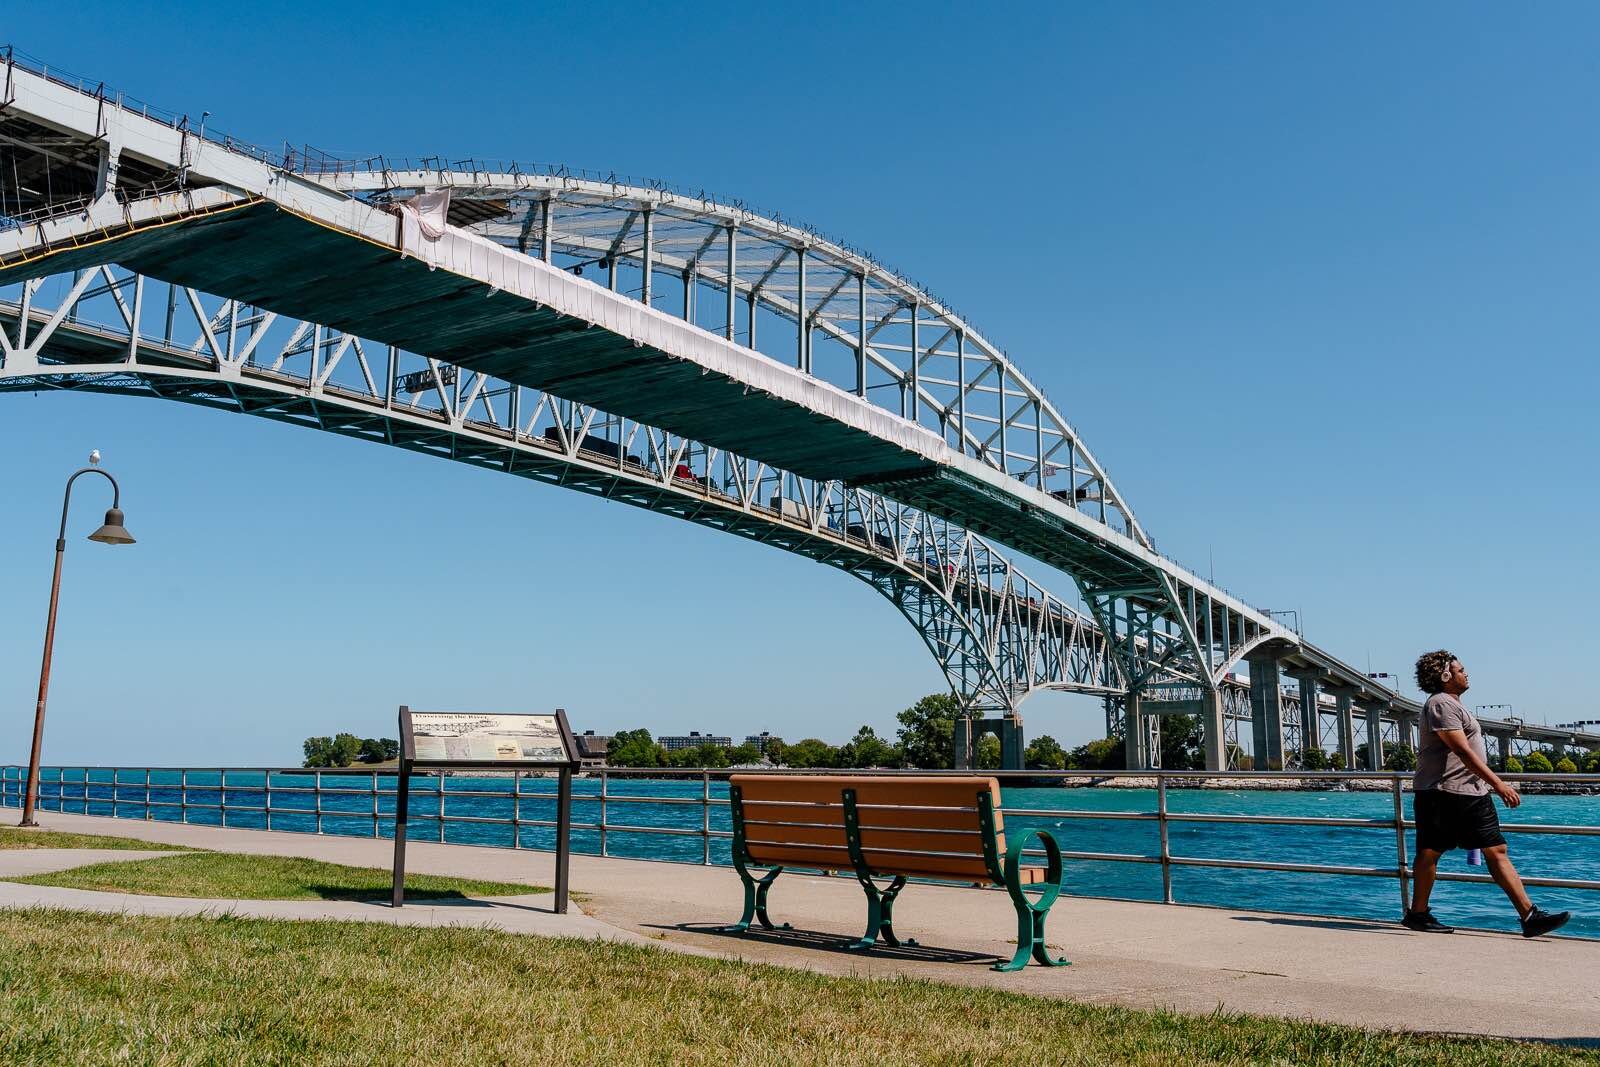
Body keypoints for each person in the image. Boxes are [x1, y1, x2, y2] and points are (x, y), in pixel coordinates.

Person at [1401, 650, 1570, 937]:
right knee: (1433, 852)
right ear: (1445, 676)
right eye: (1460, 670)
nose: (1466, 674)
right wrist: (1499, 784)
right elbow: (1462, 750)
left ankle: (1528, 915)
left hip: (1461, 792)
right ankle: (1419, 913)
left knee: (1479, 850)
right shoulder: (1441, 704)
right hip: (1449, 792)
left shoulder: (1450, 704)